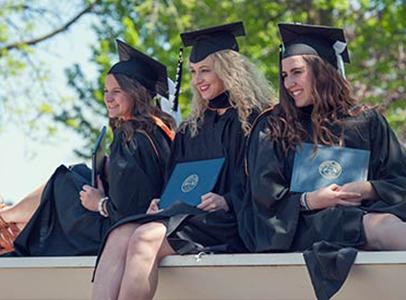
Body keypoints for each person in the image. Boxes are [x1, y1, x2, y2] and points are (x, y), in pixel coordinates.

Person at [238, 23, 406, 300]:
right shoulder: (272, 126)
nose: (289, 83)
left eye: (297, 73)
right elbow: (263, 195)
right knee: (378, 225)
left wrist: (367, 189)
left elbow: (401, 177)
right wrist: (314, 199)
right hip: (297, 225)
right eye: (284, 75)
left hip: (359, 211)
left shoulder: (363, 121)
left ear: (323, 70)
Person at [91, 21, 275, 300]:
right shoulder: (192, 128)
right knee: (119, 235)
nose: (197, 79)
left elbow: (267, 181)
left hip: (231, 220)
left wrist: (228, 200)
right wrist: (161, 200)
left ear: (229, 70)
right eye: (192, 72)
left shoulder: (257, 121)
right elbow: (177, 179)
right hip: (187, 216)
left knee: (143, 237)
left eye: (205, 70)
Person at [0, 40, 176, 256]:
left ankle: (8, 222)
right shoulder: (154, 129)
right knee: (79, 172)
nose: (108, 98)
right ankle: (8, 221)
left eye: (117, 91)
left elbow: (129, 212)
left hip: (116, 231)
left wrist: (100, 202)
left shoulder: (133, 137)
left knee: (65, 181)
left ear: (135, 93)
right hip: (130, 221)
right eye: (106, 91)